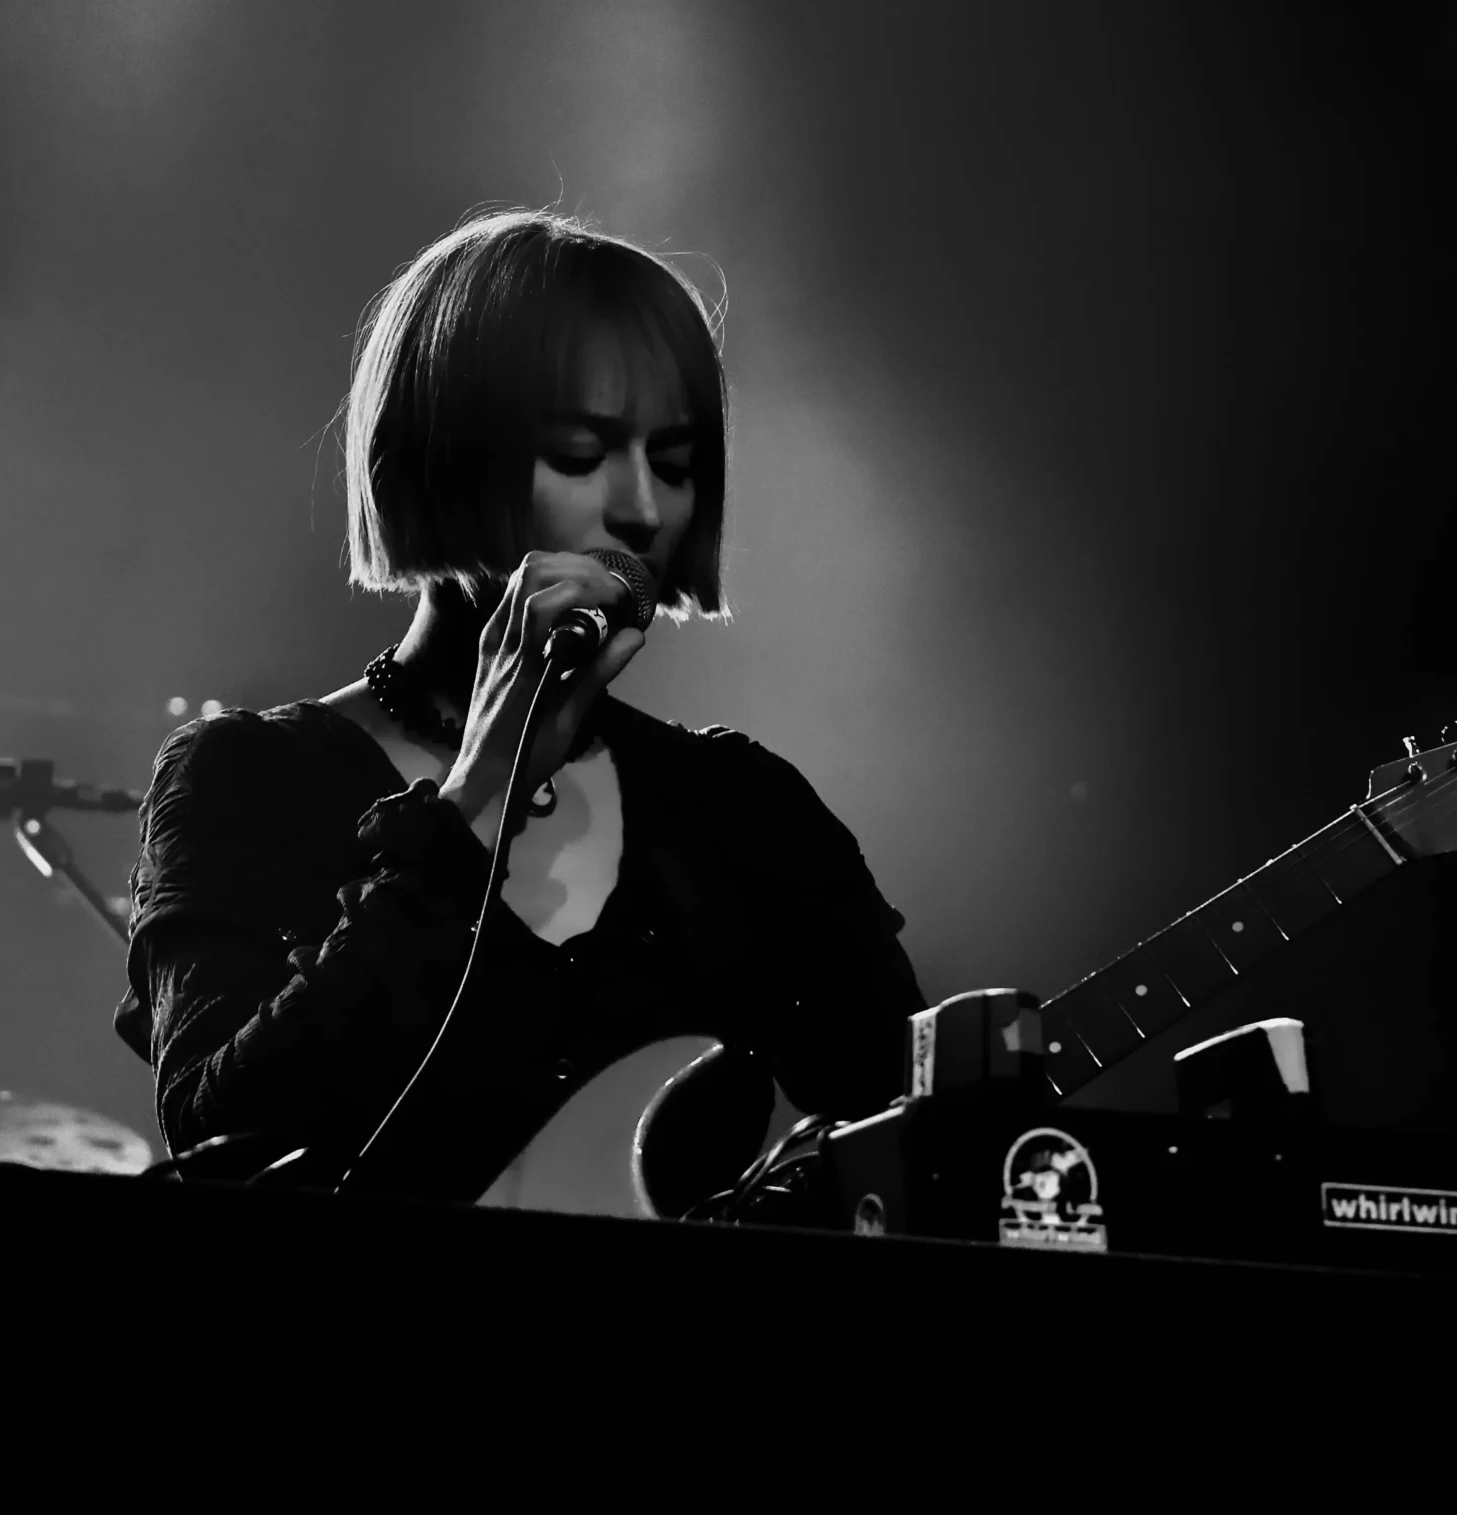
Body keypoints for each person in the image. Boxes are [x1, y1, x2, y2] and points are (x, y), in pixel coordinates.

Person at [113, 207, 925, 1205]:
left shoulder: (742, 810)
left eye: (675, 467)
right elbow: (222, 1140)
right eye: (580, 455)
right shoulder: (247, 779)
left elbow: (927, 1135)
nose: (641, 510)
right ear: (440, 455)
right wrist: (480, 792)